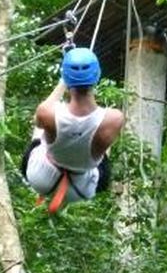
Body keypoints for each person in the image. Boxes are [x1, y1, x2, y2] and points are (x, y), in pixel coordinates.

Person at [20, 48, 125, 213]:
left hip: (40, 178)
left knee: (39, 134)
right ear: (97, 77)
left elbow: (39, 119)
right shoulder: (114, 118)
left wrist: (63, 81)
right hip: (81, 189)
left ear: (67, 79)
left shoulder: (47, 112)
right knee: (103, 146)